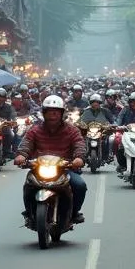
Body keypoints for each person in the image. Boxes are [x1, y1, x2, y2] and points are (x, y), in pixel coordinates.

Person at [14, 95, 88, 225]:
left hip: (65, 169)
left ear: (62, 113)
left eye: (56, 111)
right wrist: (21, 156)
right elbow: (27, 143)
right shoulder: (35, 130)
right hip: (39, 168)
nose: (53, 114)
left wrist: (78, 158)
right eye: (49, 111)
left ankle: (74, 212)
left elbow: (79, 145)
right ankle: (29, 211)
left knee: (80, 185)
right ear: (44, 112)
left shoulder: (72, 130)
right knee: (28, 185)